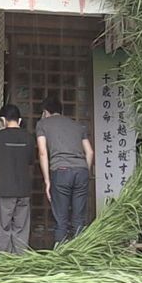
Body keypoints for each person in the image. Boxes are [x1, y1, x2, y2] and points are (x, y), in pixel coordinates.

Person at [36, 96, 93, 245]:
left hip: (61, 170)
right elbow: (90, 152)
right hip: (81, 170)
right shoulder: (77, 125)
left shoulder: (43, 124)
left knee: (61, 219)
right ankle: (80, 254)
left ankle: (61, 258)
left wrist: (47, 181)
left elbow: (42, 152)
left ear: (45, 112)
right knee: (79, 218)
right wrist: (83, 170)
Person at [0, 104, 35, 253]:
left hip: (4, 188)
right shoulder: (29, 137)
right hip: (24, 188)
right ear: (20, 120)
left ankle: (5, 259)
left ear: (3, 120)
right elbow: (30, 161)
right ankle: (20, 259)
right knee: (21, 227)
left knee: (3, 226)